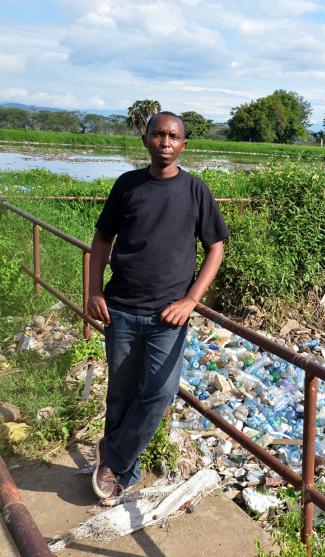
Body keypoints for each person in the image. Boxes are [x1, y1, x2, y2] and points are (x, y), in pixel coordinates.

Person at [86, 111, 229, 499]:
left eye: (173, 136)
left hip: (168, 315)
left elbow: (215, 249)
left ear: (183, 144)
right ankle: (118, 474)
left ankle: (111, 459)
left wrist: (191, 299)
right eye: (158, 135)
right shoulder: (128, 185)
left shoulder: (196, 191)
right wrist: (94, 291)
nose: (165, 142)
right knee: (120, 391)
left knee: (161, 391)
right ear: (145, 139)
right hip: (122, 309)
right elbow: (102, 241)